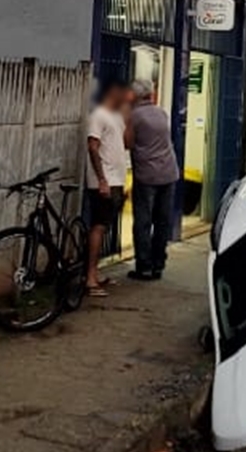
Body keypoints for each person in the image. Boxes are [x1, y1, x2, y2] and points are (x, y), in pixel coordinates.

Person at [125, 79, 179, 281]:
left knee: (143, 221)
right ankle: (158, 264)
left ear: (135, 95)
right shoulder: (161, 113)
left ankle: (144, 266)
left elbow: (127, 143)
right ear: (151, 94)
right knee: (162, 221)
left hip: (147, 175)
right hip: (169, 172)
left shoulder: (134, 116)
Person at [85, 80, 128, 297]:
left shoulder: (118, 117)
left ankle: (96, 271)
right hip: (104, 181)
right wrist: (102, 179)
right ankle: (90, 277)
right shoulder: (99, 115)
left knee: (105, 226)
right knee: (99, 226)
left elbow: (123, 144)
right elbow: (93, 147)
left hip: (116, 180)